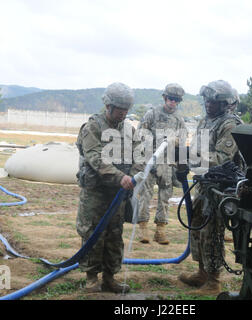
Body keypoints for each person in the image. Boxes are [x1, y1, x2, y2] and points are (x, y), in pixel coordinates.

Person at [75, 82, 143, 293]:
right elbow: (94, 157)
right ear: (109, 106)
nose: (123, 114)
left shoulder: (128, 129)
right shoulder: (93, 127)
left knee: (115, 235)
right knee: (93, 234)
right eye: (120, 110)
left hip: (119, 194)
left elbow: (139, 153)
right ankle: (92, 277)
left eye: (126, 111)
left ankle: (110, 277)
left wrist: (134, 174)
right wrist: (119, 176)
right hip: (96, 193)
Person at [179, 80, 243, 295]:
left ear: (225, 103)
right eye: (206, 100)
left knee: (212, 232)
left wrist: (190, 157)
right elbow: (198, 149)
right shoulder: (206, 121)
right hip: (205, 184)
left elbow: (223, 159)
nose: (208, 104)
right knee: (197, 226)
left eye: (213, 101)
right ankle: (202, 272)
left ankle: (213, 281)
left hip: (221, 188)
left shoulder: (230, 124)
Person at [137, 83, 187, 245]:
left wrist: (175, 140)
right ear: (165, 98)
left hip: (168, 163)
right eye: (170, 99)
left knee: (165, 196)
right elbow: (140, 132)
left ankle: (160, 230)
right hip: (151, 161)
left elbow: (184, 137)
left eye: (176, 100)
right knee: (145, 195)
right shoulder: (152, 114)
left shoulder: (179, 119)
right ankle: (143, 227)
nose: (173, 102)